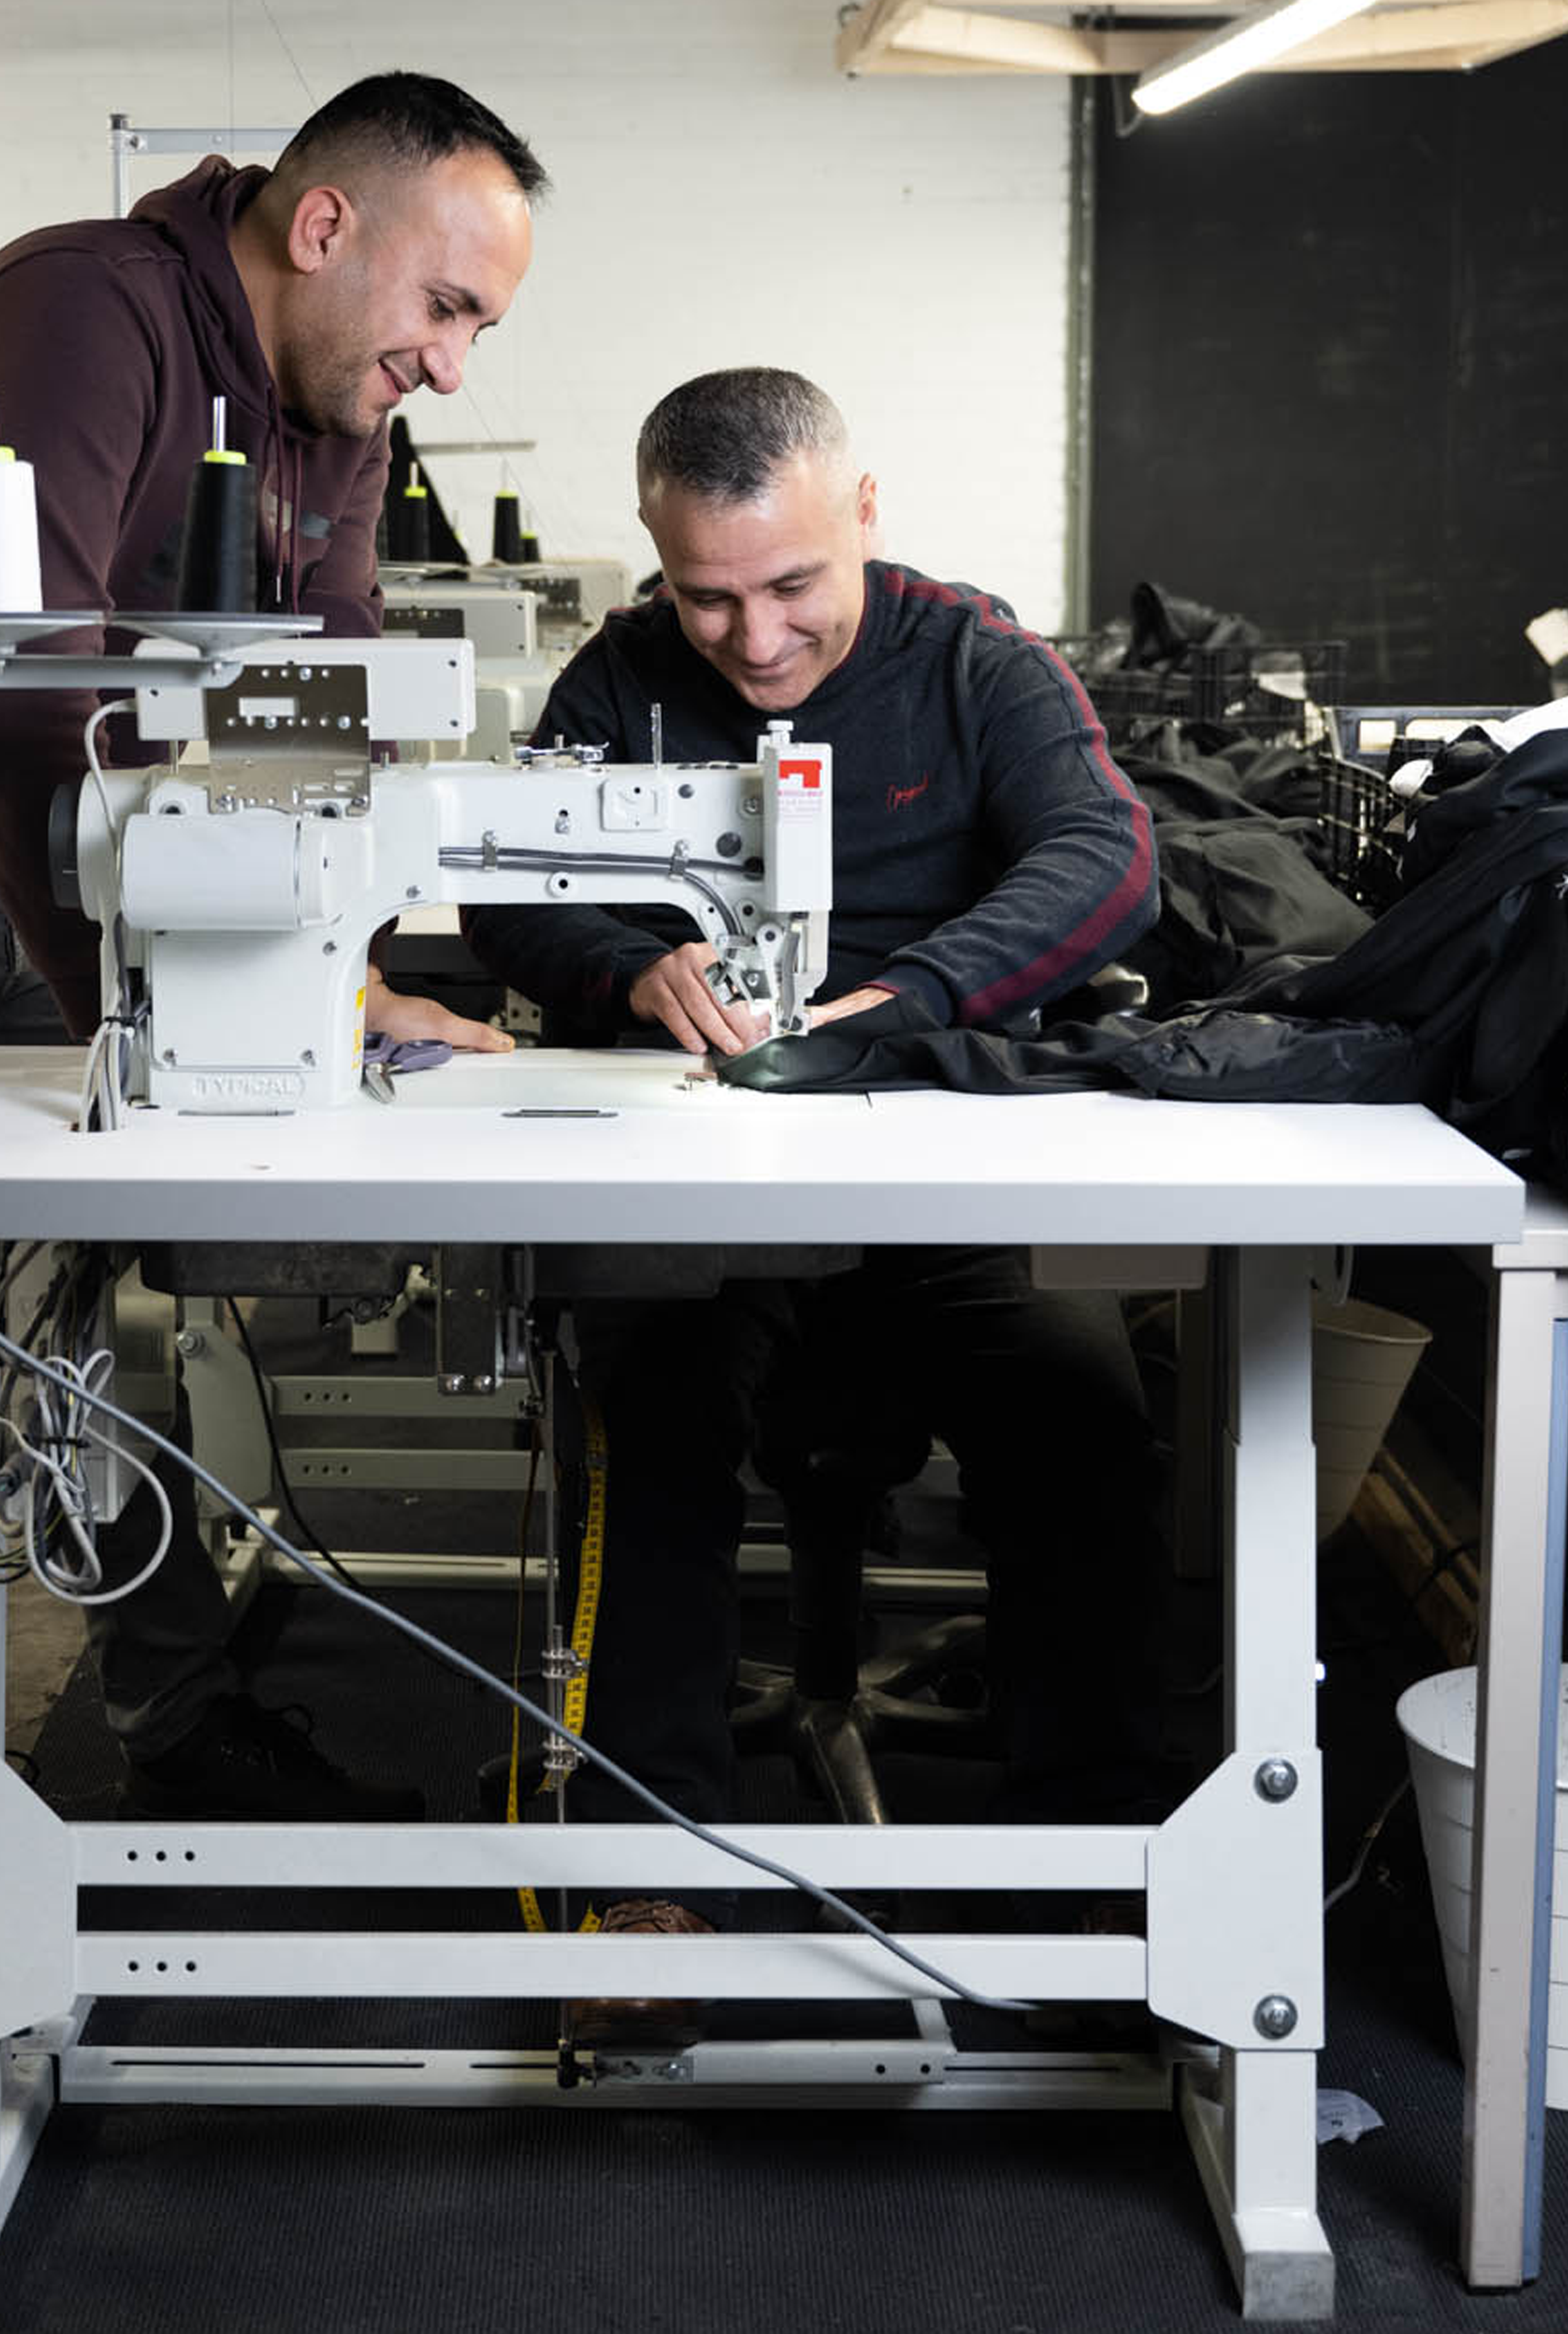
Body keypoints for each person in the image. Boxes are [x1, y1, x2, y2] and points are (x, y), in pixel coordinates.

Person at [0, 73, 545, 1878]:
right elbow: (12, 685)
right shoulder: (82, 310)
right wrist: (130, 1004)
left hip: (56, 848)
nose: (451, 365)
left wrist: (344, 978)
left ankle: (174, 1714)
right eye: (443, 308)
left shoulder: (332, 402)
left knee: (86, 1292)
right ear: (322, 229)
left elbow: (340, 697)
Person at [461, 369, 1169, 2023]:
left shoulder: (974, 659)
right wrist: (636, 974)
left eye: (790, 590)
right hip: (698, 1175)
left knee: (1081, 1418)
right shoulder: (621, 676)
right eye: (706, 597)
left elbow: (1106, 861)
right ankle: (654, 1876)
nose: (755, 642)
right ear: (654, 556)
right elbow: (507, 895)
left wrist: (913, 996)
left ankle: (1091, 1864)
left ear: (864, 514)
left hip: (935, 1163)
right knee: (655, 1427)